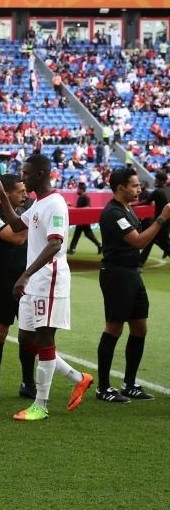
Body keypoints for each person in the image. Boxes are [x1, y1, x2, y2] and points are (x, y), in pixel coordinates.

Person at [0, 154, 94, 421]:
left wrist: (25, 275)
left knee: (45, 339)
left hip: (49, 280)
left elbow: (55, 244)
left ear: (39, 174)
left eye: (26, 173)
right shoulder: (39, 203)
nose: (22, 178)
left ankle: (41, 405)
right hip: (34, 282)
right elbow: (17, 225)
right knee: (27, 340)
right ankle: (78, 378)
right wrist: (2, 194)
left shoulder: (56, 204)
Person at [95, 167, 170, 402]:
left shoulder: (127, 209)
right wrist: (161, 218)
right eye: (135, 185)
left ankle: (129, 384)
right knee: (114, 328)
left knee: (140, 328)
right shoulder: (113, 213)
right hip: (117, 274)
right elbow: (138, 241)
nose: (140, 189)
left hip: (132, 274)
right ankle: (103, 387)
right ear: (121, 188)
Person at [0, 174, 35, 403]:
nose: (25, 194)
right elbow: (17, 238)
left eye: (25, 190)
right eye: (20, 191)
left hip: (27, 280)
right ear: (6, 194)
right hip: (5, 280)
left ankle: (28, 383)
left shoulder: (25, 212)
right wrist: (32, 218)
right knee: (0, 331)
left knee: (28, 332)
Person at [139, 171, 170, 262]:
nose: (155, 181)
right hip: (167, 221)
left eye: (156, 180)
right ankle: (140, 262)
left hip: (160, 221)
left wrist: (132, 204)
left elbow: (146, 202)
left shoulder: (157, 191)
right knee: (156, 241)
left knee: (156, 241)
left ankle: (140, 262)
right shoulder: (168, 190)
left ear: (161, 181)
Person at [68, 182, 101, 254]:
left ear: (81, 190)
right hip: (81, 219)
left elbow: (87, 207)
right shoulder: (81, 197)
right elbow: (79, 208)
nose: (77, 190)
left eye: (78, 189)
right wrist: (72, 205)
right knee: (86, 234)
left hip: (84, 220)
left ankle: (72, 249)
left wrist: (78, 209)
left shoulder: (86, 197)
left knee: (80, 234)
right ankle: (99, 245)